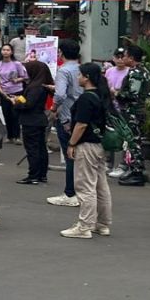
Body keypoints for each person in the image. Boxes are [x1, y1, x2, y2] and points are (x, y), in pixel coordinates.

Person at [60, 63, 113, 239]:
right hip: (100, 144)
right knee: (101, 185)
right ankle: (102, 224)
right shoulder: (102, 95)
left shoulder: (86, 98)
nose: (78, 77)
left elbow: (81, 124)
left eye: (80, 75)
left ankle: (84, 226)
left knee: (85, 186)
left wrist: (72, 144)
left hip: (87, 145)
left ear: (87, 77)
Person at [48, 39, 83, 209]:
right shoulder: (83, 69)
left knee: (70, 154)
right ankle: (81, 192)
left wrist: (54, 108)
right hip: (83, 114)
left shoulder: (63, 70)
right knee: (80, 155)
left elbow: (60, 94)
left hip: (68, 115)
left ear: (61, 52)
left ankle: (70, 193)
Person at [115, 44, 150, 186]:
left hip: (133, 112)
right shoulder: (143, 71)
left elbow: (133, 94)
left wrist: (117, 93)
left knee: (133, 142)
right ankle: (134, 168)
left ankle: (137, 171)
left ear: (131, 57)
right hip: (134, 111)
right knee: (133, 141)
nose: (122, 58)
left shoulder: (136, 73)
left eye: (124, 56)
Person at [0, 45, 27, 143]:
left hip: (17, 91)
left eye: (8, 50)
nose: (5, 52)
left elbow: (24, 77)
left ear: (11, 52)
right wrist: (1, 91)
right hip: (4, 92)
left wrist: (17, 80)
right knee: (6, 114)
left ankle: (17, 136)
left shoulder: (17, 64)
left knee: (15, 114)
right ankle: (9, 136)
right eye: (4, 50)